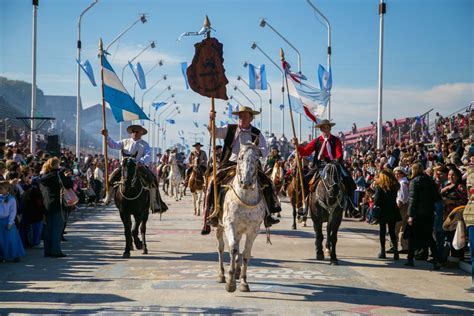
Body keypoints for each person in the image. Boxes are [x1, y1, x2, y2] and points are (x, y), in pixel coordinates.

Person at [201, 106, 281, 235]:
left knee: (268, 182)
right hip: (230, 163)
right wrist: (211, 119)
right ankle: (211, 213)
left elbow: (265, 150)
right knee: (212, 182)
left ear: (251, 117)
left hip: (250, 165)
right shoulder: (230, 129)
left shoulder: (256, 133)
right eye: (240, 115)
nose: (242, 118)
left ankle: (268, 213)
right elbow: (214, 132)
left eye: (245, 115)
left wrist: (255, 152)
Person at [292, 119, 356, 214]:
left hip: (334, 164)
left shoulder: (336, 140)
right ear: (321, 130)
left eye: (327, 128)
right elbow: (306, 151)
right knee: (305, 180)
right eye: (323, 128)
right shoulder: (316, 141)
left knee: (349, 180)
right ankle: (305, 205)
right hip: (320, 165)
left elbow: (339, 152)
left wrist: (337, 160)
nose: (325, 130)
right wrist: (297, 145)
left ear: (330, 129)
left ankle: (351, 207)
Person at [101, 124, 167, 213]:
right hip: (124, 167)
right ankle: (108, 197)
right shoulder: (125, 142)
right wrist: (106, 136)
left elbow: (148, 155)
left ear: (141, 133)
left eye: (137, 132)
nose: (135, 133)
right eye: (133, 131)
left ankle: (154, 202)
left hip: (139, 166)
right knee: (111, 177)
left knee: (152, 179)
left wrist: (141, 161)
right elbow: (113, 145)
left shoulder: (144, 144)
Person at [406, 163, 441, 269]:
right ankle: (436, 260)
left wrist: (410, 215)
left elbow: (412, 200)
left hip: (417, 213)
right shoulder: (430, 181)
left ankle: (410, 259)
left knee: (412, 237)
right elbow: (436, 197)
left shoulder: (414, 182)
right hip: (429, 213)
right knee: (429, 237)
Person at [39, 157, 73, 258]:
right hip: (58, 204)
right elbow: (69, 185)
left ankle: (48, 251)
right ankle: (55, 251)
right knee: (57, 228)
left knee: (48, 228)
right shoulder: (58, 175)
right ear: (55, 165)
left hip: (46, 205)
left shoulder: (43, 176)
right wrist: (67, 177)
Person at [373, 169, 402, 260]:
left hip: (383, 210)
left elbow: (377, 200)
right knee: (392, 231)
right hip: (393, 209)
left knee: (382, 231)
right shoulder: (395, 185)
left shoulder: (380, 186)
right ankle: (396, 251)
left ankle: (382, 251)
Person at [0, 180, 25, 262]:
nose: (0, 190)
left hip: (8, 220)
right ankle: (2, 255)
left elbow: (13, 211)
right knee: (1, 240)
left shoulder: (11, 199)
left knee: (11, 239)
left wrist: (10, 222)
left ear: (7, 189)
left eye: (1, 188)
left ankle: (15, 254)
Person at [393, 166, 409, 254]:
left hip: (401, 207)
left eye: (398, 173)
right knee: (404, 227)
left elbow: (402, 198)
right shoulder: (405, 182)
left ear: (402, 174)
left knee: (396, 227)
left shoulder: (402, 183)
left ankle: (394, 246)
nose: (396, 175)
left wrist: (397, 208)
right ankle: (405, 246)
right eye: (395, 173)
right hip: (406, 206)